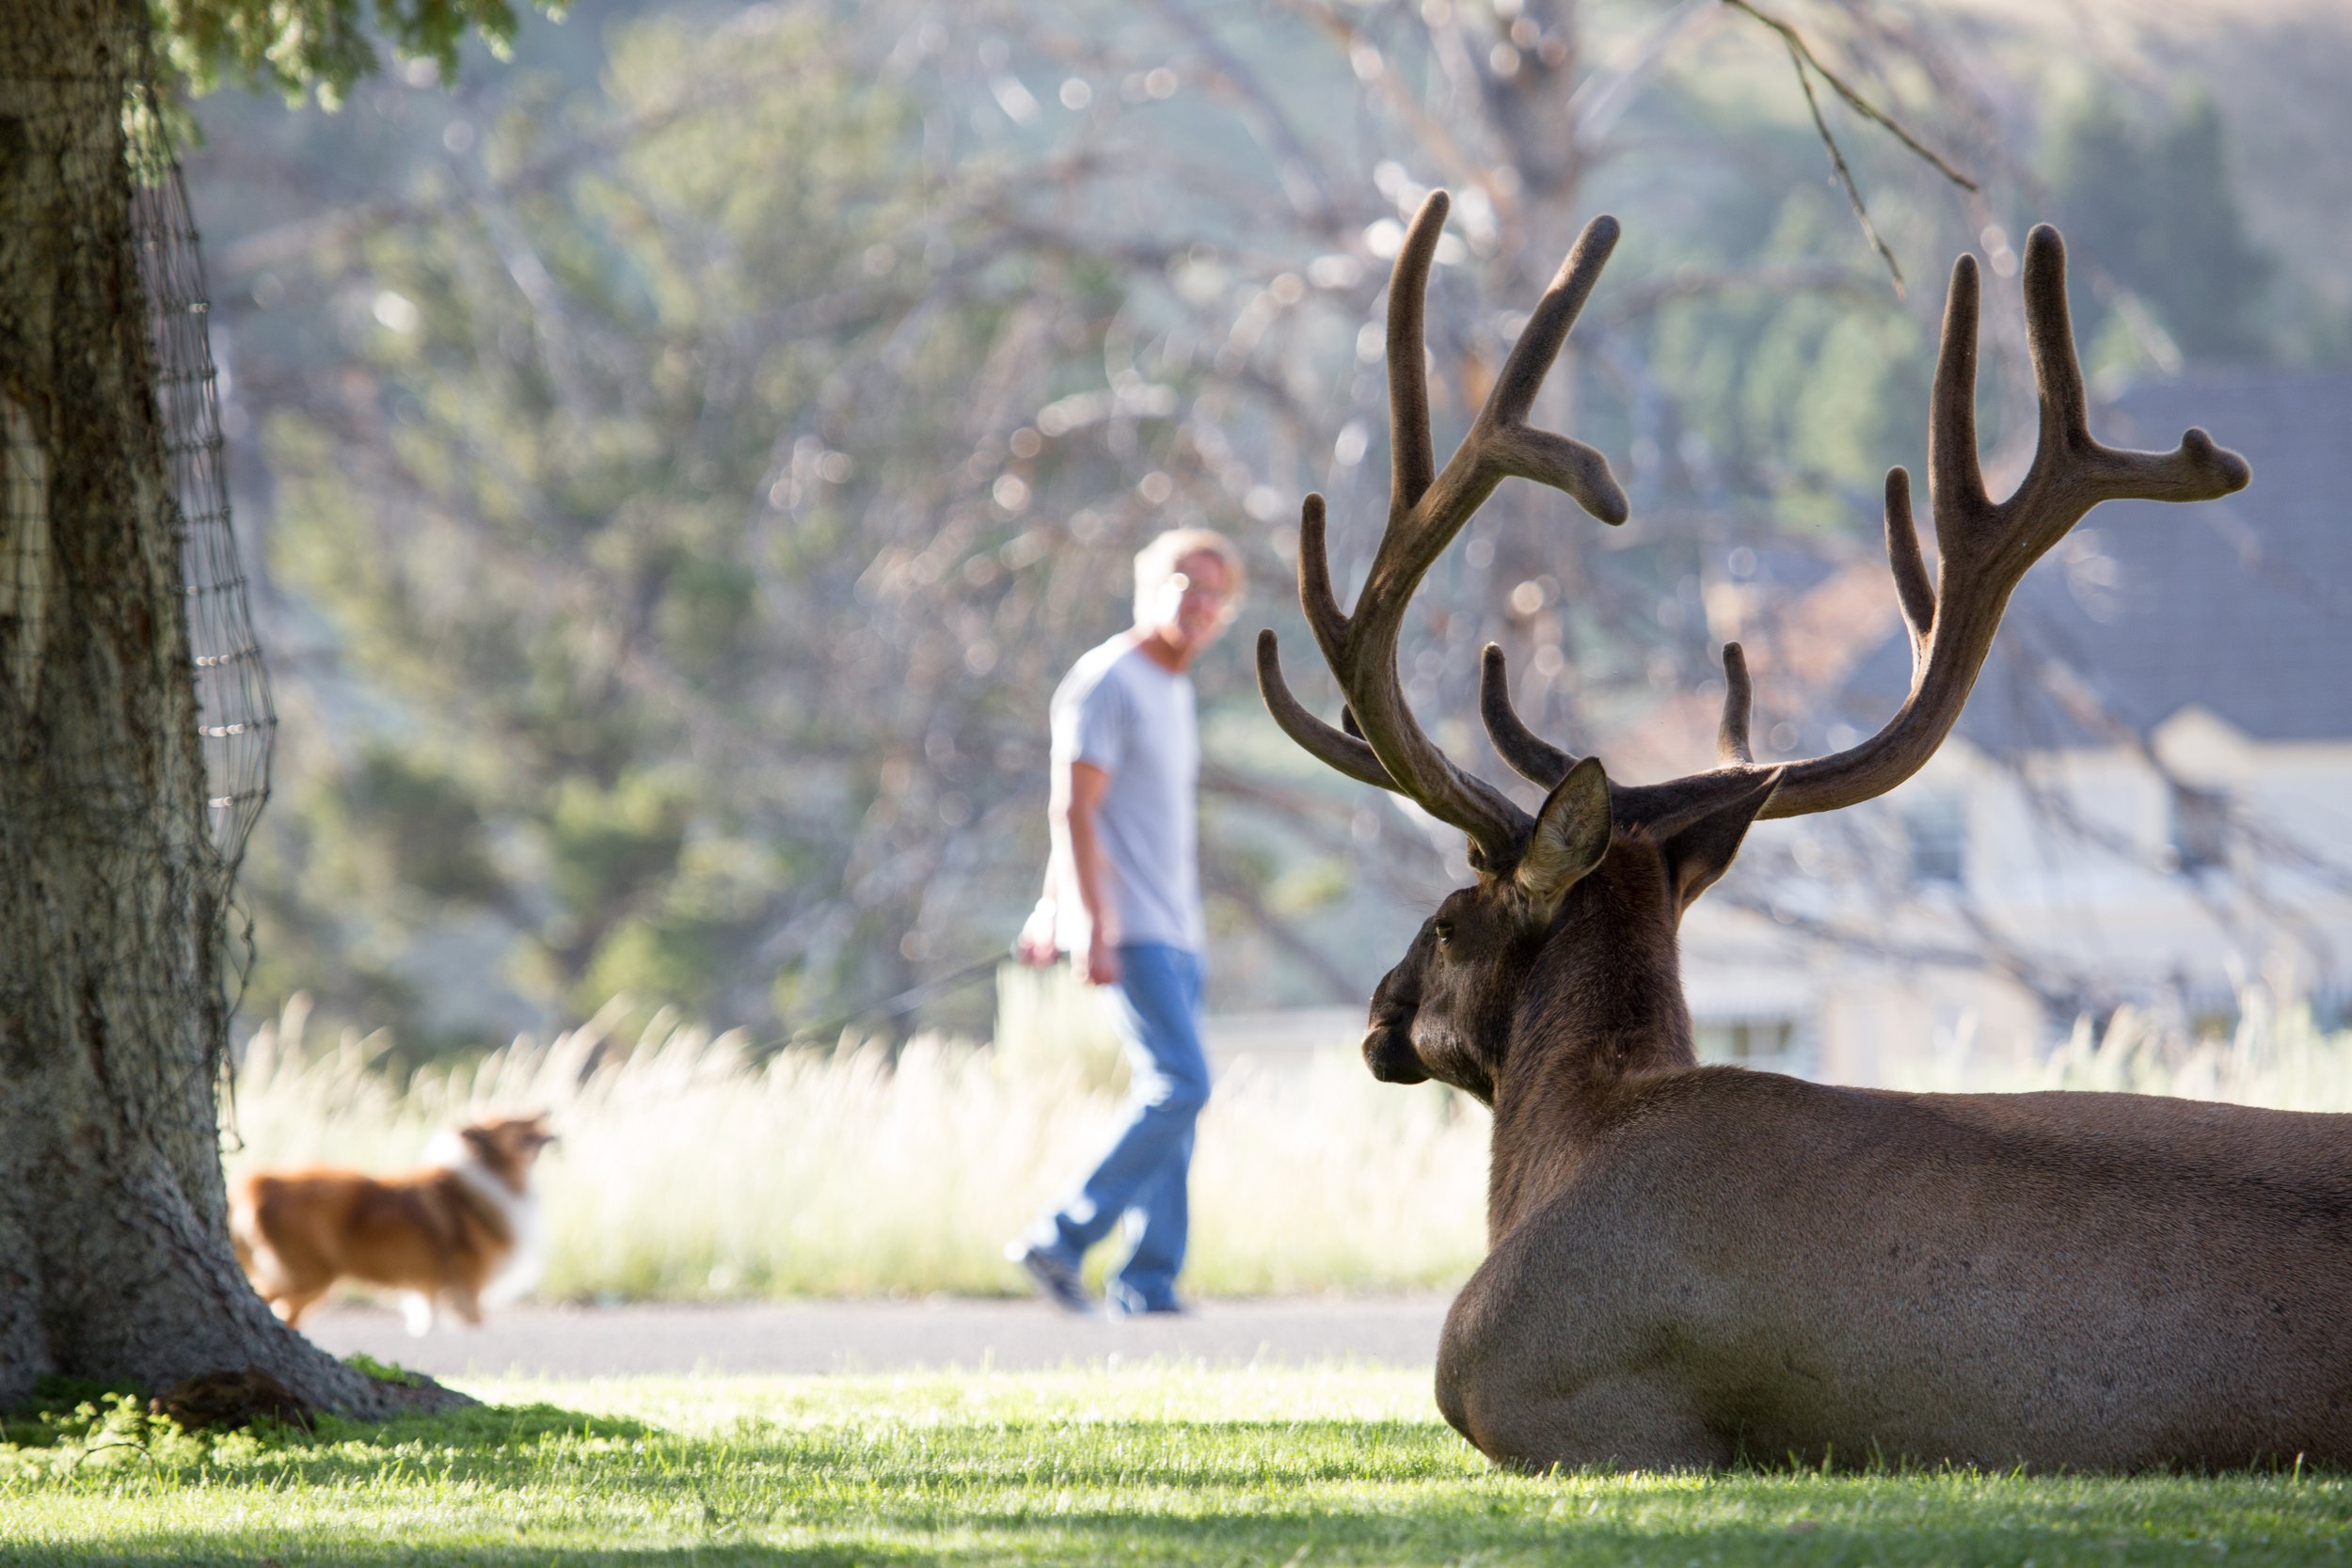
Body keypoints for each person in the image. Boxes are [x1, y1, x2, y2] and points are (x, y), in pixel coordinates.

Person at [1007, 527, 1244, 1316]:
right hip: (1131, 923)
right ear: (1150, 587)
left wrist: (1049, 907)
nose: (1200, 605)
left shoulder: (1171, 686)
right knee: (1183, 1083)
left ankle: (1148, 1278)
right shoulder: (1108, 679)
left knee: (1173, 1097)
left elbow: (1094, 816)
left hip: (1178, 927)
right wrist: (1089, 922)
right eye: (1185, 586)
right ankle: (1063, 1236)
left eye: (1214, 594)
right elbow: (1071, 806)